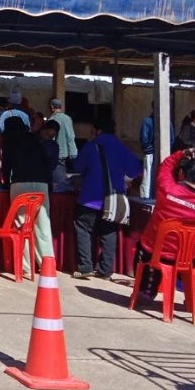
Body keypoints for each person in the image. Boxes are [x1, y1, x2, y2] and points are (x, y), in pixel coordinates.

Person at [135, 148, 195, 311]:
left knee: (145, 246)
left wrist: (181, 153)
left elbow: (165, 166)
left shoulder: (166, 188)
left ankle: (146, 291)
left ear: (181, 172)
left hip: (154, 252)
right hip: (187, 258)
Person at [72, 111, 143, 280]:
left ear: (97, 130)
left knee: (83, 228)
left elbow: (78, 167)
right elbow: (136, 170)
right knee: (109, 232)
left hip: (90, 198)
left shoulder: (91, 146)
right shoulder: (122, 148)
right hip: (113, 200)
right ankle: (105, 269)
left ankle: (85, 266)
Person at [1, 116, 54, 268]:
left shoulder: (10, 141)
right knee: (43, 225)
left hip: (20, 184)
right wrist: (49, 185)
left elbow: (6, 166)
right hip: (41, 184)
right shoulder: (35, 140)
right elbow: (46, 164)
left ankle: (25, 266)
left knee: (22, 225)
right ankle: (47, 264)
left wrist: (6, 184)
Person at [140, 111, 173, 197]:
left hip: (150, 153)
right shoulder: (167, 121)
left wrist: (148, 149)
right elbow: (171, 140)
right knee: (162, 177)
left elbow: (144, 140)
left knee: (147, 178)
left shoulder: (147, 121)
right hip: (164, 153)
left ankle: (146, 200)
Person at [47, 98, 78, 167]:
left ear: (52, 106)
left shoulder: (52, 119)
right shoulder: (68, 118)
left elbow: (51, 138)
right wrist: (73, 152)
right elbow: (70, 136)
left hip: (56, 153)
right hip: (66, 153)